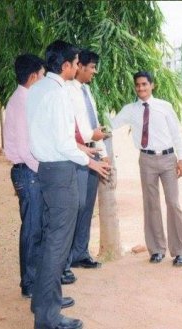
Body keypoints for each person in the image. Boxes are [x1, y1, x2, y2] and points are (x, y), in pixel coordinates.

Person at [26, 40, 109, 329]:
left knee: (51, 238)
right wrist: (90, 161)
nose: (78, 67)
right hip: (61, 173)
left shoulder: (37, 89)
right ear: (65, 66)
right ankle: (48, 317)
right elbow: (62, 142)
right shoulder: (60, 94)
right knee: (57, 246)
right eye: (75, 63)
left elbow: (51, 136)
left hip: (46, 168)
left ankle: (41, 302)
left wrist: (83, 150)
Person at [111, 71, 182, 266]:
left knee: (173, 203)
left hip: (168, 158)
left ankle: (180, 251)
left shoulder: (165, 107)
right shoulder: (130, 109)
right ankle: (156, 249)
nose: (141, 88)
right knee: (151, 204)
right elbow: (111, 124)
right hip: (146, 160)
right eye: (137, 85)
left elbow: (176, 133)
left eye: (144, 84)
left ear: (152, 85)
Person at [61, 49, 108, 285]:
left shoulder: (86, 90)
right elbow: (74, 127)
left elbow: (93, 120)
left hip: (93, 151)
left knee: (87, 207)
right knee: (76, 207)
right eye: (91, 67)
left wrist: (104, 154)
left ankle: (80, 253)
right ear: (78, 67)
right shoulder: (66, 91)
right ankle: (64, 262)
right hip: (78, 154)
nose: (94, 72)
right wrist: (91, 139)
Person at [3, 54, 45, 299]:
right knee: (31, 228)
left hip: (29, 172)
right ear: (32, 77)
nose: (42, 79)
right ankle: (29, 283)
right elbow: (25, 148)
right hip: (28, 172)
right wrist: (44, 171)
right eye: (41, 75)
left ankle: (34, 279)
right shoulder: (22, 102)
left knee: (35, 227)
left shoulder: (23, 98)